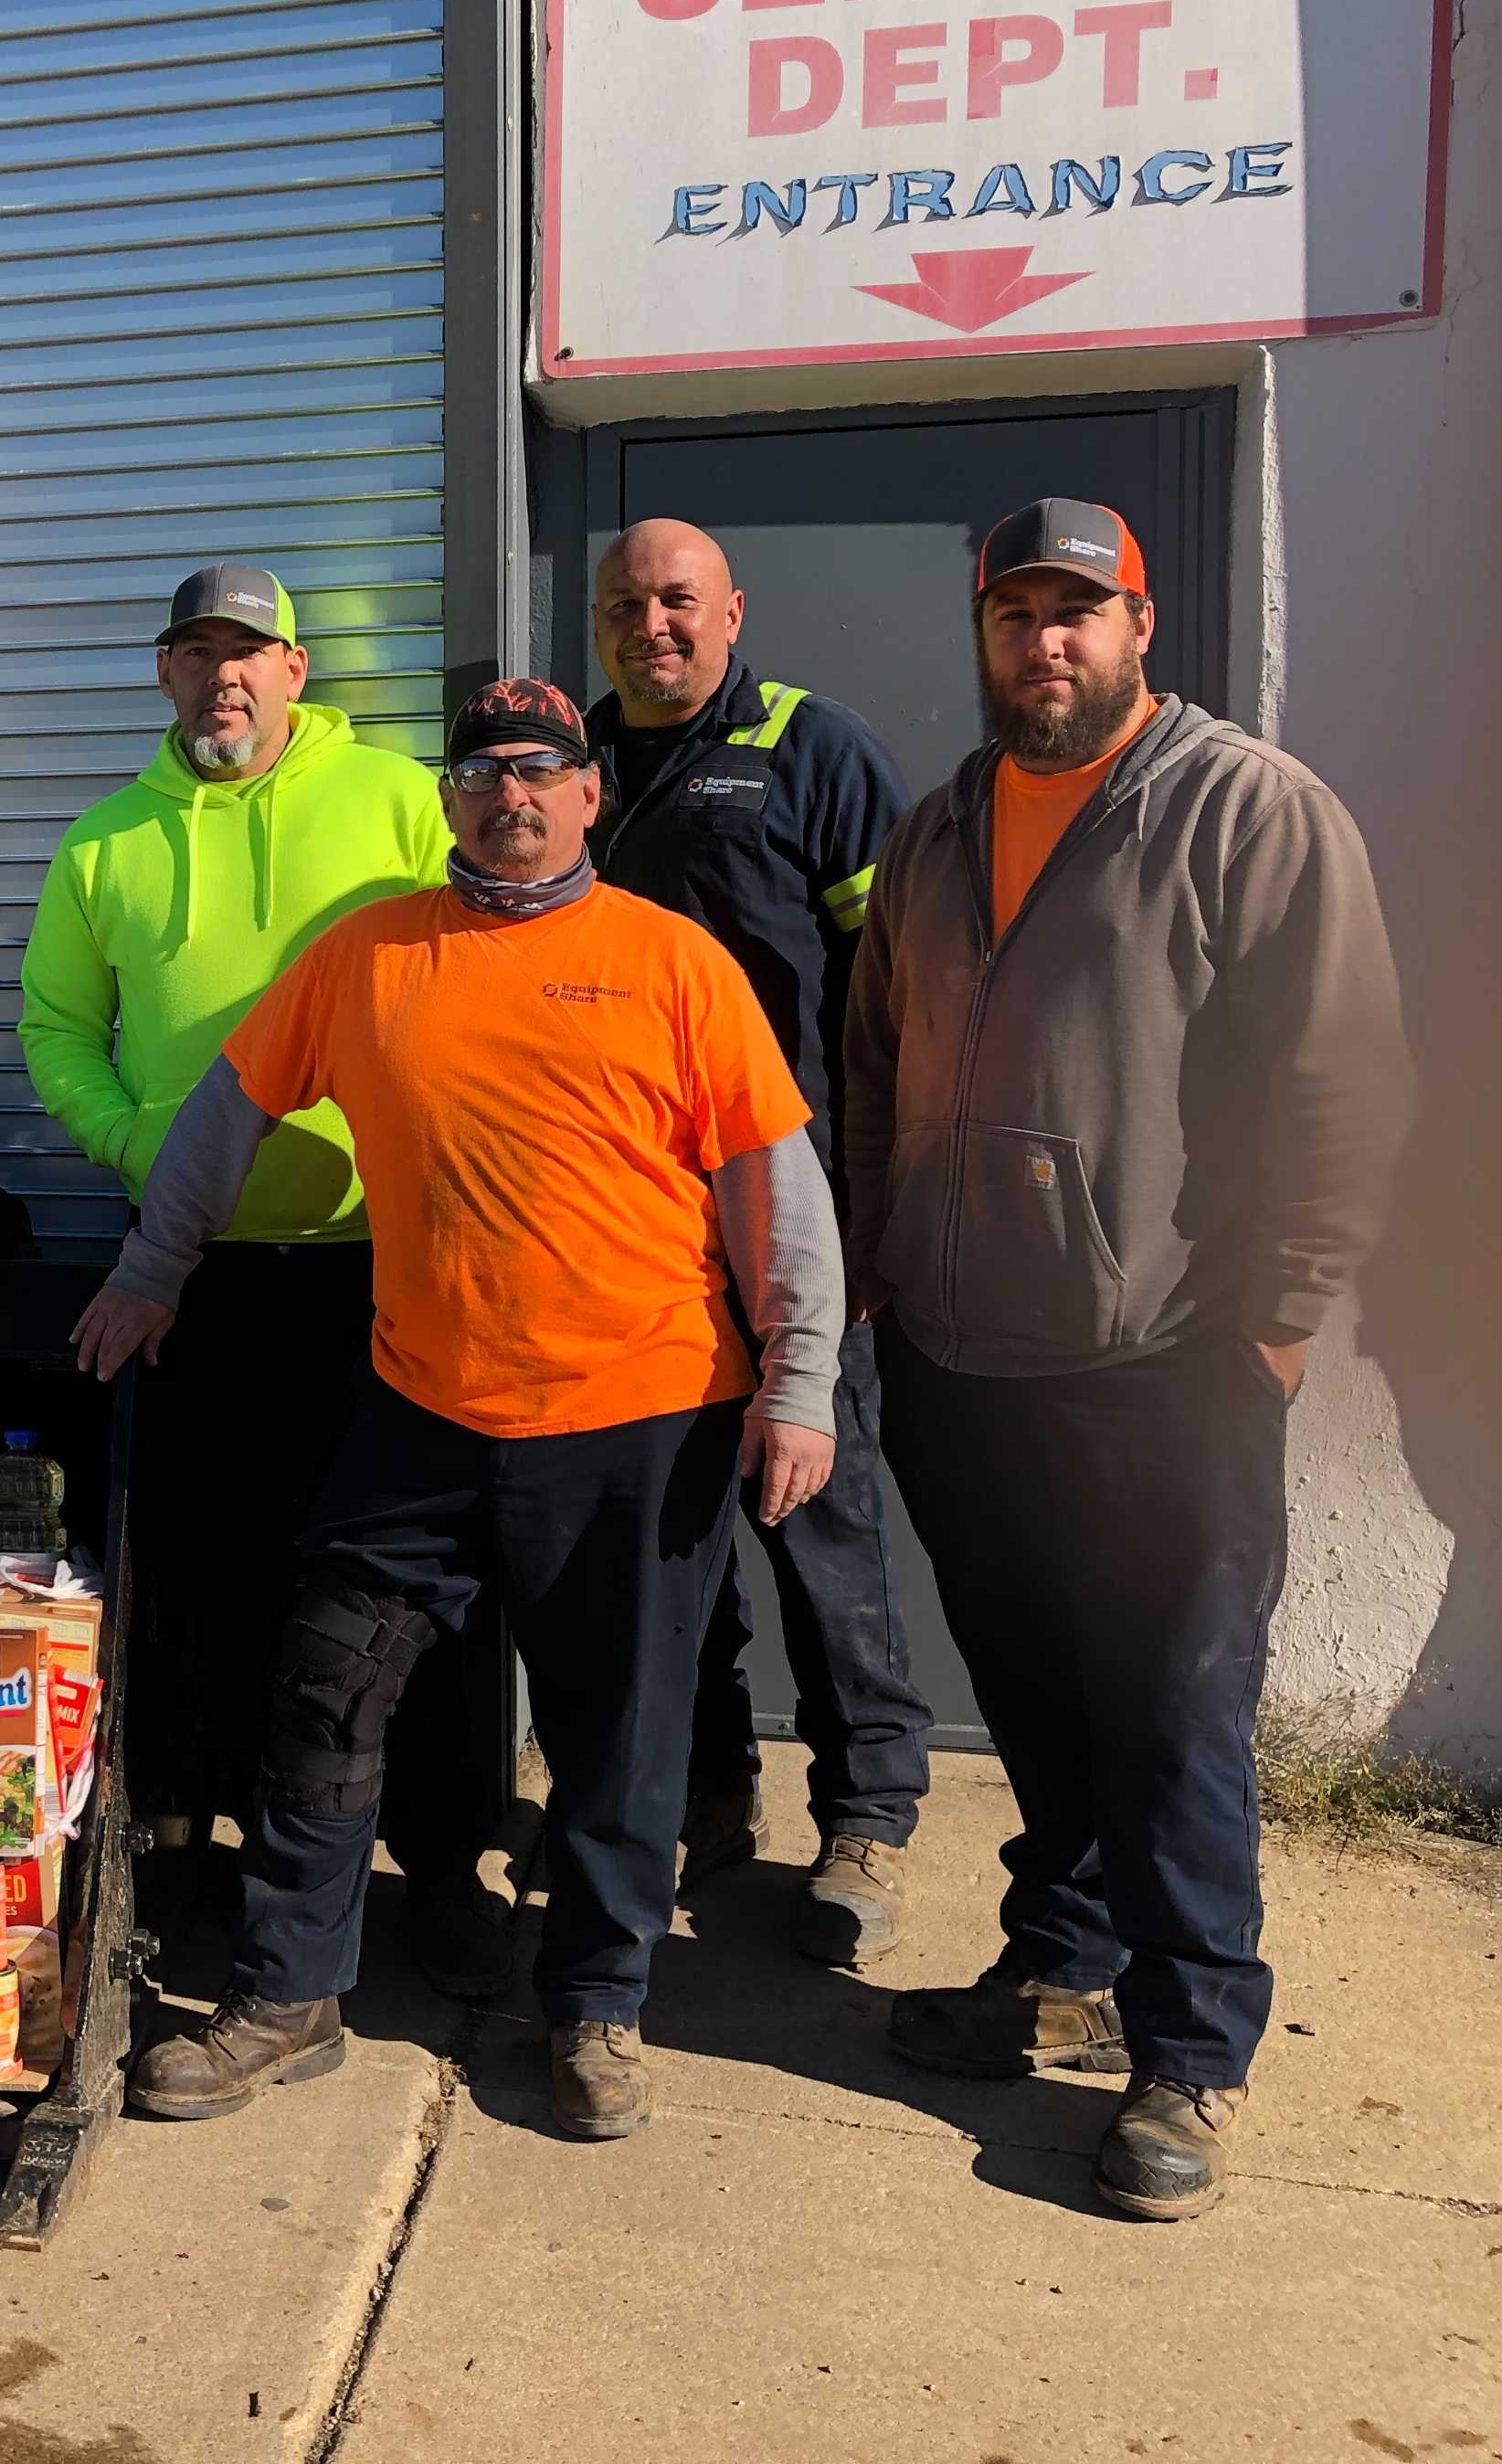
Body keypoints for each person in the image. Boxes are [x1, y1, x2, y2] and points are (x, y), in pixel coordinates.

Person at [79, 679, 842, 2142]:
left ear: (588, 794)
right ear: (450, 800)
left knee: (620, 1733)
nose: (513, 797)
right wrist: (151, 1268)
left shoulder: (673, 962)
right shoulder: (365, 956)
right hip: (422, 1410)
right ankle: (290, 1993)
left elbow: (772, 1182)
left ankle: (596, 2009)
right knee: (327, 1691)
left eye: (542, 771)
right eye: (485, 773)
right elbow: (225, 1115)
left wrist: (800, 1380)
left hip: (642, 1416)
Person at [846, 498, 1412, 2222]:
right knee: (1034, 1695)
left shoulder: (1247, 809)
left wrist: (1275, 1327)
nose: (1045, 641)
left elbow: (1344, 1081)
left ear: (1139, 626)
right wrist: (874, 1270)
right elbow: (870, 1061)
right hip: (961, 1354)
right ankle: (1065, 1962)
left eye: (1077, 611)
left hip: (1164, 1360)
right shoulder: (938, 830)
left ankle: (1190, 2049)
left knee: (1172, 1712)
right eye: (1015, 612)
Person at [15, 564, 462, 1948]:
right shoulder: (106, 843)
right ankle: (186, 1863)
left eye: (250, 652)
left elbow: (475, 976)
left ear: (296, 670)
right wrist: (137, 1145)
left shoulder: (398, 801)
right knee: (200, 1577)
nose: (225, 675)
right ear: (164, 673)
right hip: (188, 1273)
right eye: (198, 651)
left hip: (382, 1266)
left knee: (398, 1591)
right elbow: (54, 1029)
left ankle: (442, 1872)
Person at [583, 519, 935, 1960]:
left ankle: (870, 1817)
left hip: (790, 1219)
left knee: (820, 1536)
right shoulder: (574, 764)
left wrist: (868, 1209)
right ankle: (707, 1799)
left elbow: (901, 996)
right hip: (631, 1236)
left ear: (733, 611)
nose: (651, 626)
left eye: (678, 600)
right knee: (674, 1545)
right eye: (624, 605)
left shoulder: (811, 748)